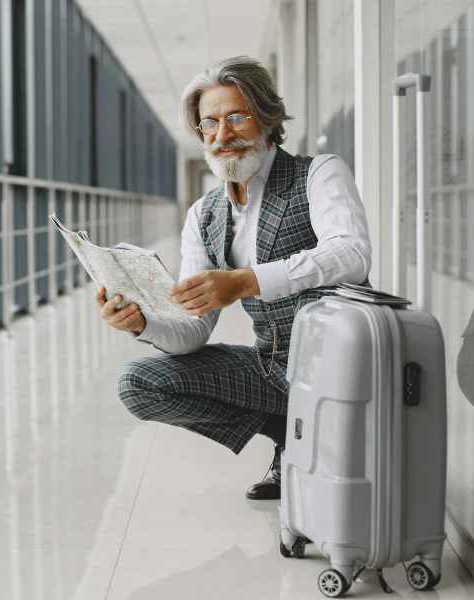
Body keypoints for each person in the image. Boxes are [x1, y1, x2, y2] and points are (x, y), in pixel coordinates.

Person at [96, 56, 371, 500]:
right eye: (209, 124)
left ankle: (306, 436)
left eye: (236, 118)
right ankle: (287, 432)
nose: (222, 135)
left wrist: (245, 281)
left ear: (266, 117)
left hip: (337, 365)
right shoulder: (204, 215)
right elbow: (192, 331)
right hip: (272, 368)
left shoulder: (319, 173)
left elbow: (352, 254)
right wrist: (142, 323)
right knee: (138, 383)